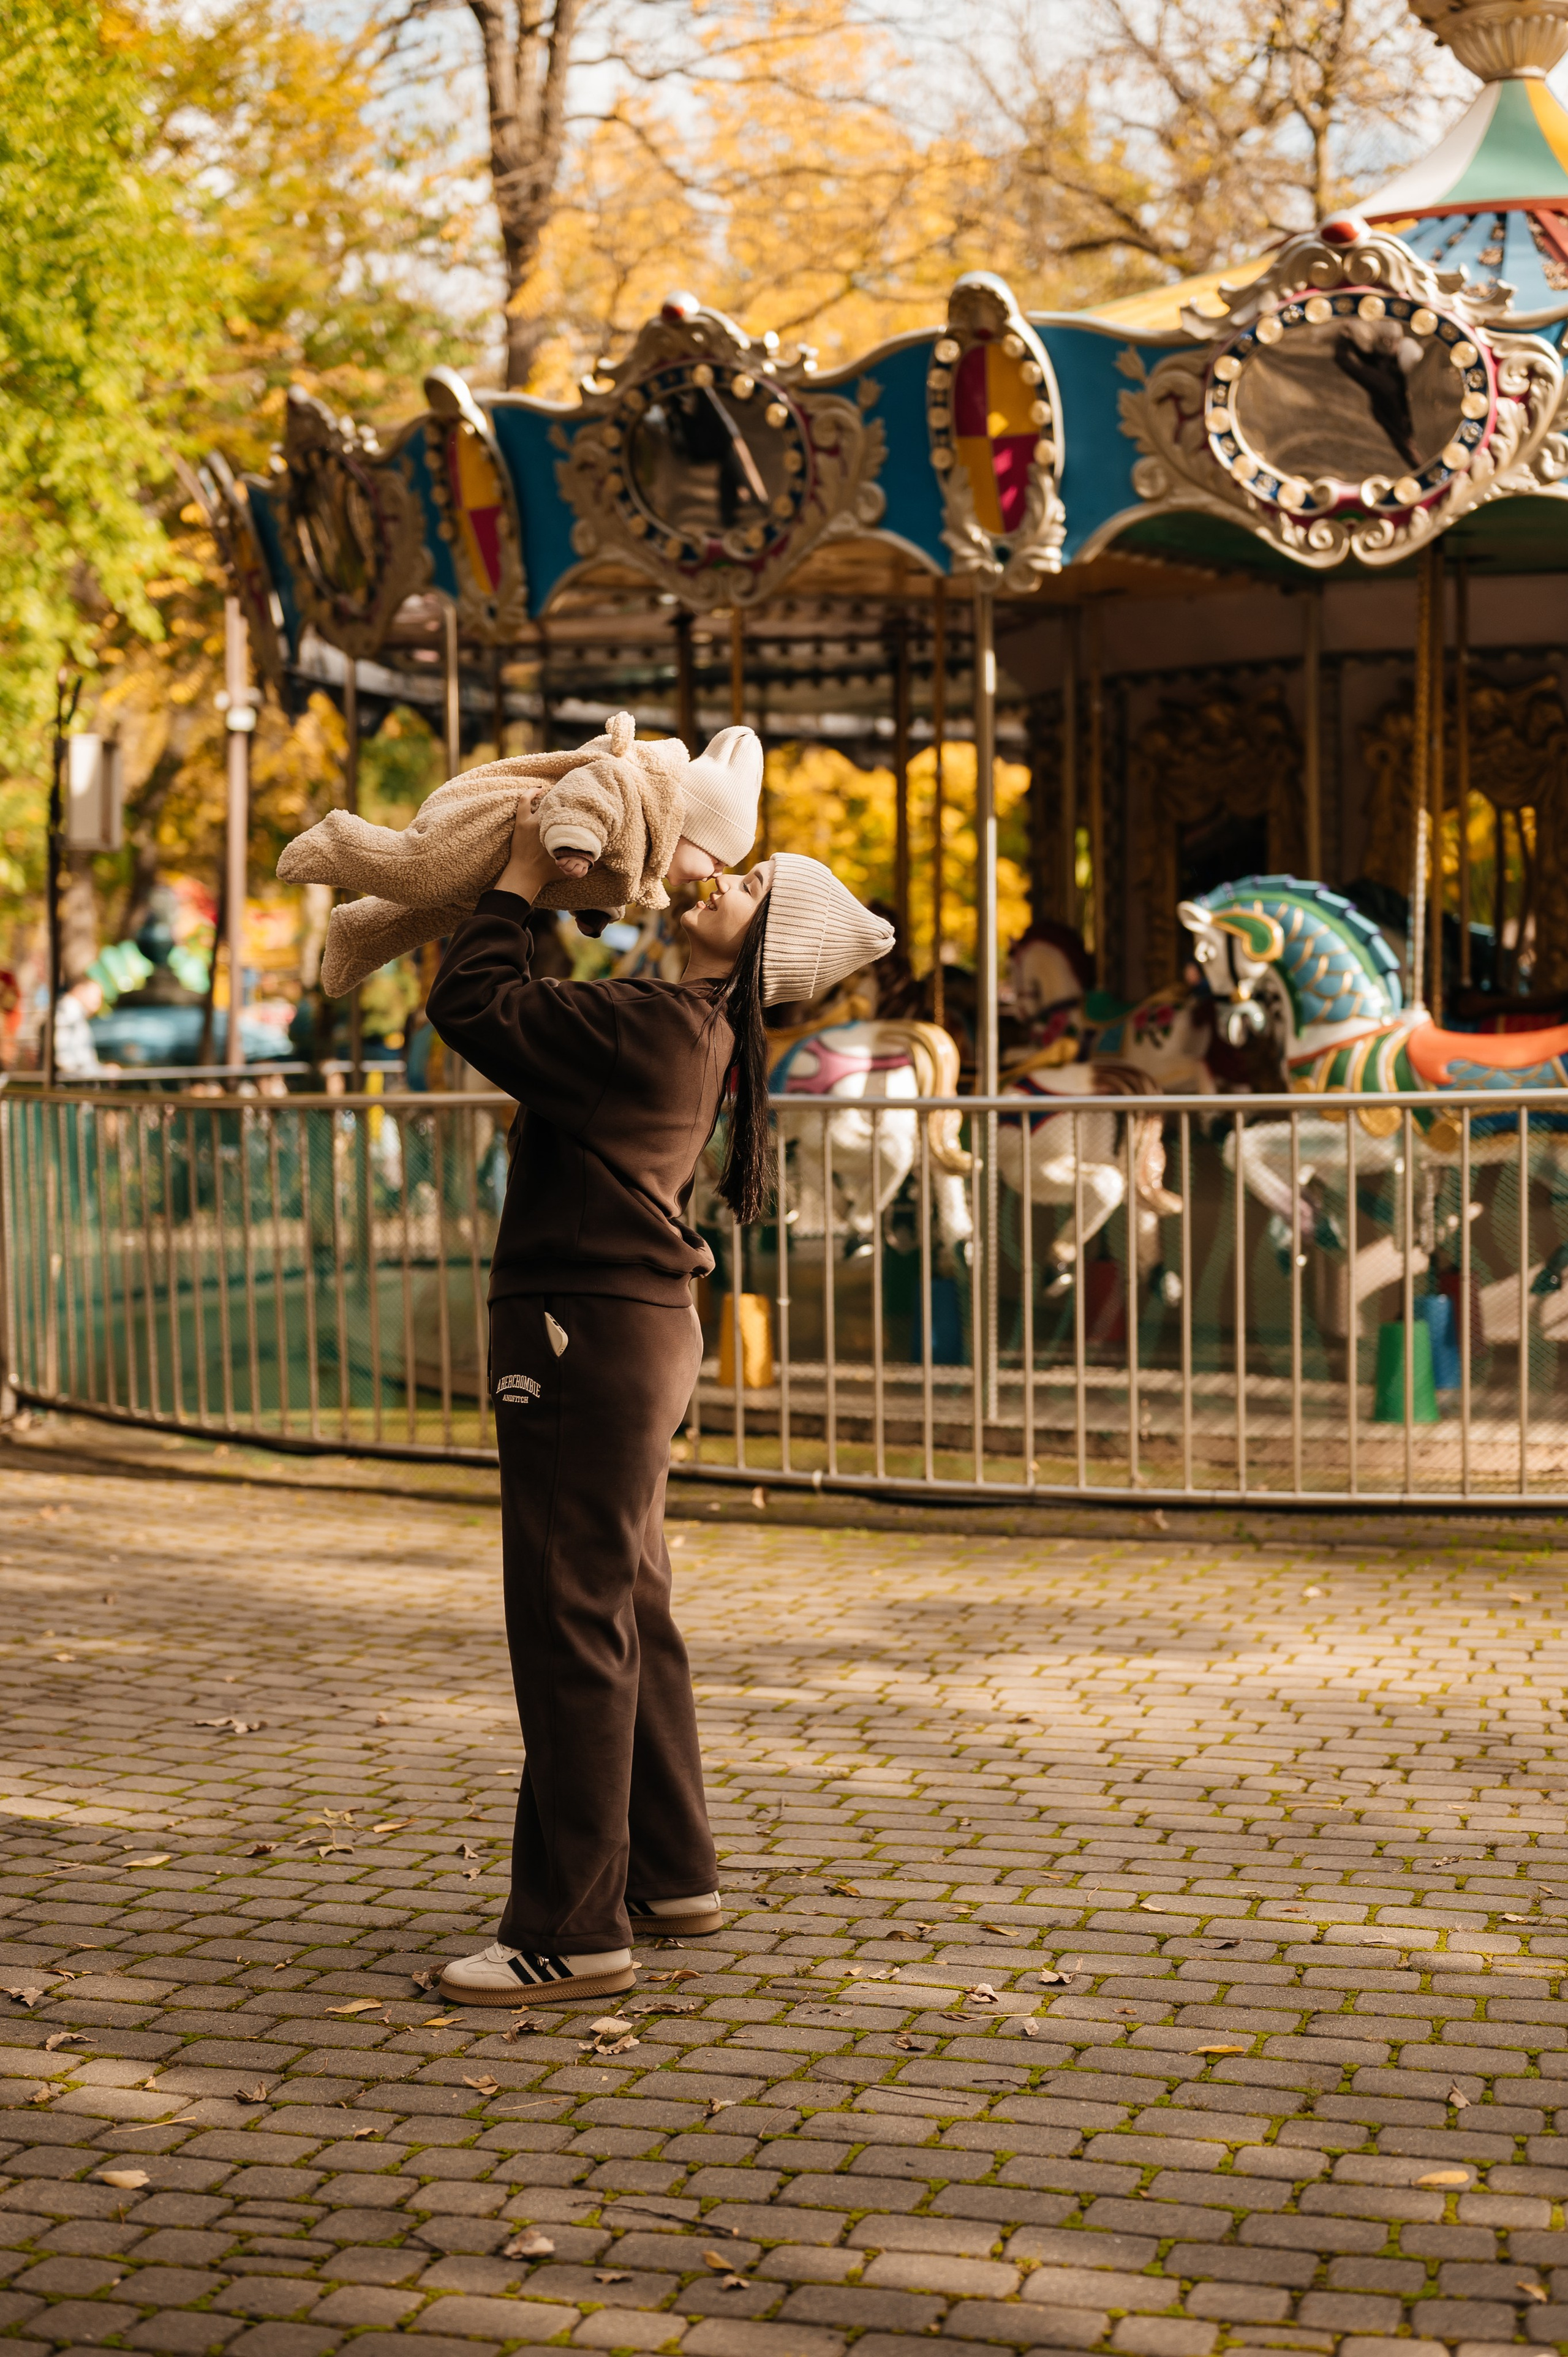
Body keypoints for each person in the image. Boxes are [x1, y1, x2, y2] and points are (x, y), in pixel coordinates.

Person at [426, 799, 892, 2006]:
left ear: (755, 944)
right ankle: (669, 1869)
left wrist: (523, 879)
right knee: (628, 1599)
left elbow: (471, 1003)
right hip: (629, 1332)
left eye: (746, 886)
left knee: (568, 1615)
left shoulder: (648, 1023)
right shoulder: (682, 1023)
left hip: (578, 1332)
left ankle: (570, 1929)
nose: (720, 879)